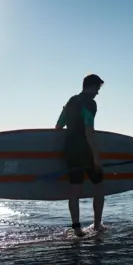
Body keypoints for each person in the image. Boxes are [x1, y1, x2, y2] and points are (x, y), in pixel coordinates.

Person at [55, 74, 106, 237]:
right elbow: (89, 131)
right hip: (85, 150)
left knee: (75, 190)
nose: (98, 92)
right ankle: (97, 225)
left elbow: (58, 125)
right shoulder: (90, 103)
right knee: (99, 187)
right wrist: (96, 156)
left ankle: (77, 229)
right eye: (97, 88)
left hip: (70, 150)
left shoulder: (71, 101)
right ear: (91, 86)